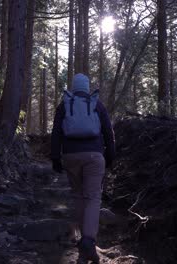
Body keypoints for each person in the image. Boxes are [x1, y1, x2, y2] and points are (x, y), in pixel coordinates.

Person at [51, 73, 115, 263]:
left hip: (70, 156)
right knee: (93, 196)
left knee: (78, 195)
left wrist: (55, 158)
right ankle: (88, 240)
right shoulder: (96, 103)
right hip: (94, 156)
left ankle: (82, 242)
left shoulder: (65, 104)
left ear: (73, 86)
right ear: (87, 88)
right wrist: (110, 156)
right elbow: (108, 132)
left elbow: (56, 133)